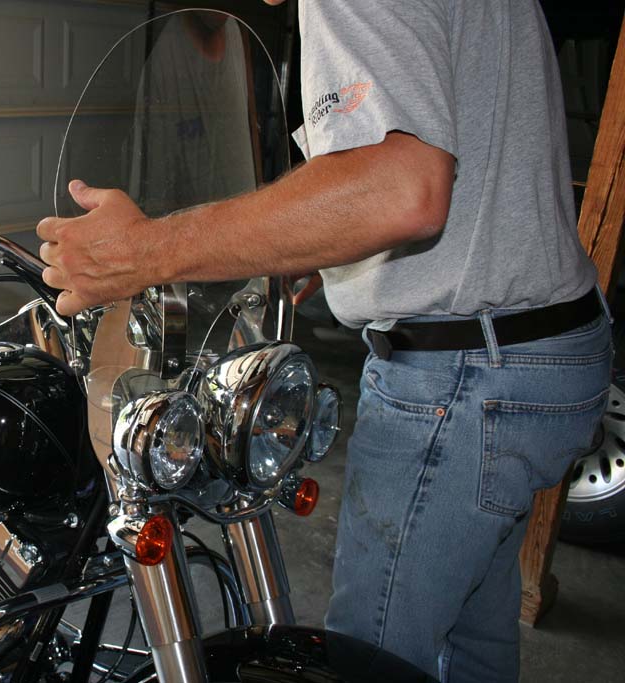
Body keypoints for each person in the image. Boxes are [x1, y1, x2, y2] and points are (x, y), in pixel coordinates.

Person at [36, 1, 611, 682]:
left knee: (366, 659)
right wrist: (320, 244)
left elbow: (403, 188)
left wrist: (147, 252)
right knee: (468, 645)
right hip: (540, 349)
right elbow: (462, 149)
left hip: (463, 378)